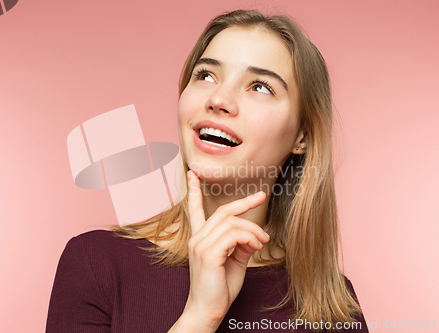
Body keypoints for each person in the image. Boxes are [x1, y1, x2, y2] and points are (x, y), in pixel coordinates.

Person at [46, 9, 369, 333]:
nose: (218, 99)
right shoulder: (95, 263)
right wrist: (199, 316)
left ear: (302, 136)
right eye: (205, 75)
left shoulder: (336, 310)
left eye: (260, 86)